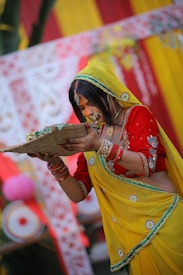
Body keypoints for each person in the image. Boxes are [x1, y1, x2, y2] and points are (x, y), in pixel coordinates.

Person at [30, 59, 183, 274]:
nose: (87, 112)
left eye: (90, 102)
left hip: (166, 221)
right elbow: (78, 193)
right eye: (81, 107)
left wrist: (100, 146)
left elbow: (145, 165)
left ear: (107, 92)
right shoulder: (92, 136)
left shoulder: (136, 114)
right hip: (135, 237)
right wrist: (55, 163)